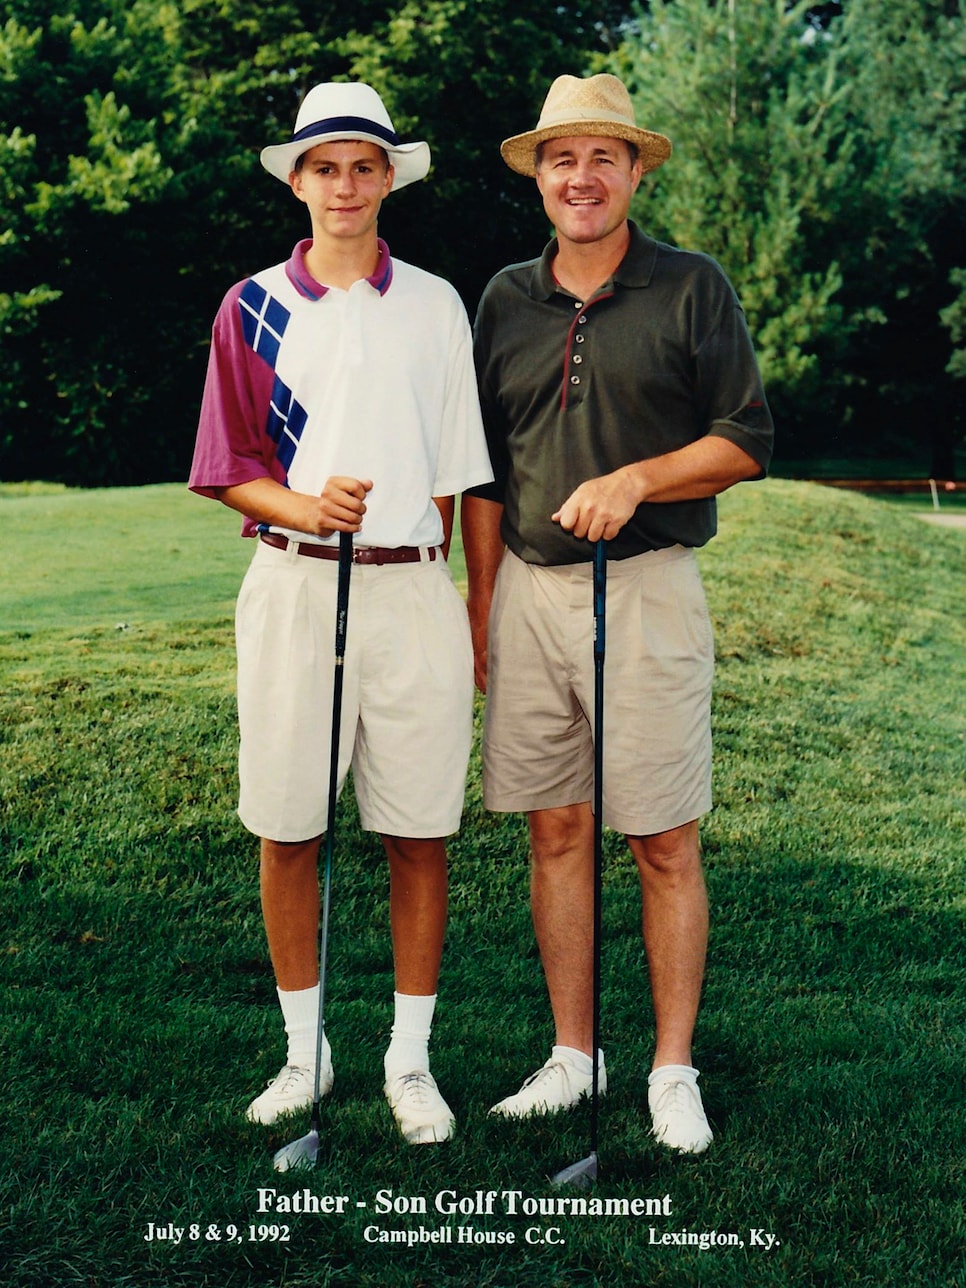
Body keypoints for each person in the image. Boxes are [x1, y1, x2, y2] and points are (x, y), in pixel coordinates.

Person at [462, 73, 774, 1154]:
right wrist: (481, 611)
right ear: (538, 179)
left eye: (603, 157)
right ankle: (571, 1053)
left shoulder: (692, 287)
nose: (581, 177)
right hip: (531, 597)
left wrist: (640, 478)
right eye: (561, 159)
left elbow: (746, 440)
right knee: (555, 830)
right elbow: (486, 477)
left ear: (636, 170)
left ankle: (672, 1068)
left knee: (662, 839)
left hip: (644, 591)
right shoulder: (503, 298)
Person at [189, 81, 493, 1146]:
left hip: (413, 588)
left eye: (365, 165)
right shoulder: (252, 304)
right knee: (288, 828)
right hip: (295, 580)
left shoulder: (439, 304)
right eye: (326, 166)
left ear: (387, 180)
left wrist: (473, 609)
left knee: (418, 833)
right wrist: (307, 507)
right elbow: (228, 467)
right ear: (300, 181)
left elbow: (462, 477)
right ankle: (303, 1052)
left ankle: (408, 1062)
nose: (346, 184)